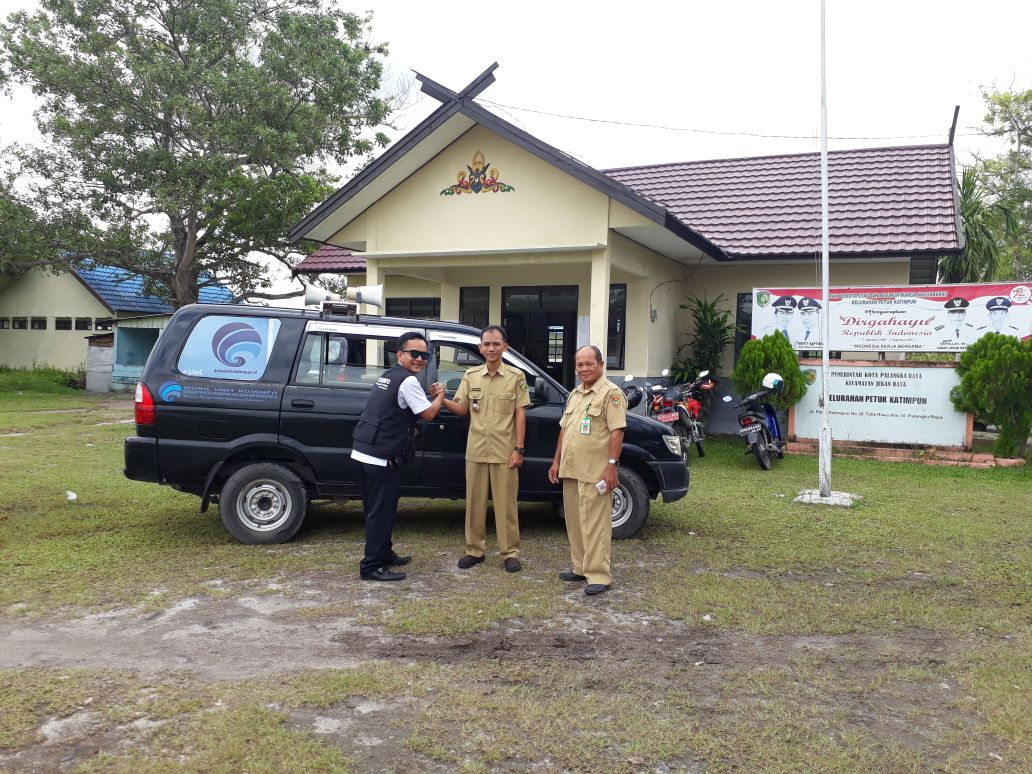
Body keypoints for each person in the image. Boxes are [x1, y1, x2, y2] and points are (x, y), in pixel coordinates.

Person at [434, 325, 531, 572]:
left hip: (504, 450)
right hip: (476, 449)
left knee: (506, 505)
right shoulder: (471, 376)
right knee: (474, 503)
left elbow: (520, 414)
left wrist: (519, 449)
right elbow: (462, 408)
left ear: (505, 347)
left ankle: (510, 552)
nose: (491, 348)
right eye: (486, 344)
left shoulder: (516, 377)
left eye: (496, 344)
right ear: (480, 347)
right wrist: (442, 398)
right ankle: (474, 550)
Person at [351, 332, 445, 581]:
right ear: (400, 354)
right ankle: (371, 567)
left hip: (364, 451)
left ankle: (384, 553)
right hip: (380, 457)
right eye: (414, 354)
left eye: (424, 355)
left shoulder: (389, 375)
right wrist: (440, 396)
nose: (420, 359)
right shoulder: (408, 381)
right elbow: (428, 414)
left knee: (377, 509)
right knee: (381, 512)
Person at [547, 345, 627, 596]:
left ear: (601, 364)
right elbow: (565, 429)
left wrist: (611, 467)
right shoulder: (575, 394)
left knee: (595, 524)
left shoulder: (610, 394)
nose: (583, 368)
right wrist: (556, 461)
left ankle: (599, 575)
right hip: (571, 469)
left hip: (596, 471)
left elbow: (618, 431)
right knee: (575, 522)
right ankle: (580, 567)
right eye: (579, 364)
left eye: (588, 363)